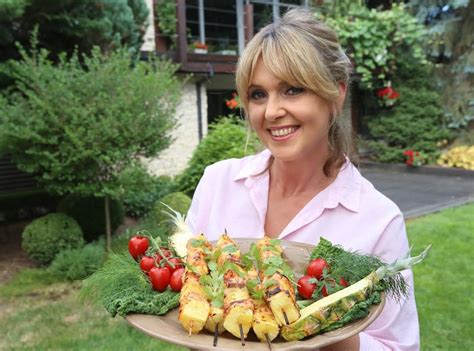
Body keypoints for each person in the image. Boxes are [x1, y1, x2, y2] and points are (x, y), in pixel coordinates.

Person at [185, 8, 419, 351]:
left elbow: (398, 346)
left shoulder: (377, 220)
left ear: (335, 95)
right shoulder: (217, 184)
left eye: (293, 90)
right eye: (258, 94)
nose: (271, 111)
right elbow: (186, 304)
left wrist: (327, 329)